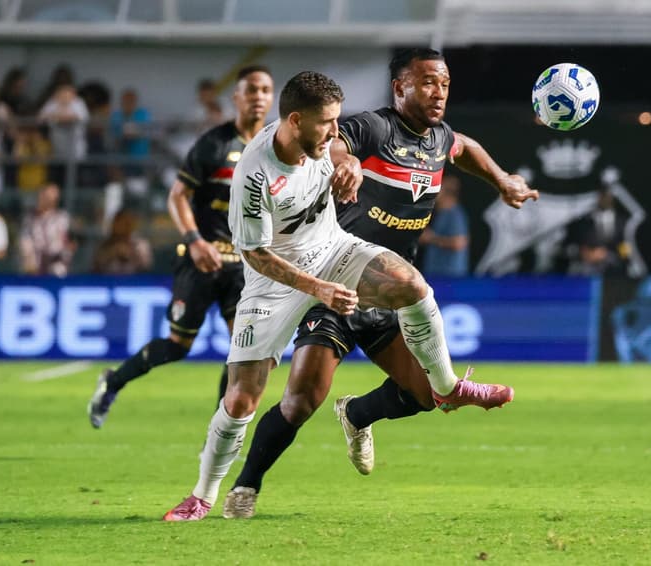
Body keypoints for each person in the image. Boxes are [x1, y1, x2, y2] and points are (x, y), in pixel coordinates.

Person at [163, 69, 531, 522]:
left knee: (413, 285)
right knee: (242, 400)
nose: (336, 130)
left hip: (334, 250)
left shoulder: (330, 140)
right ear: (295, 121)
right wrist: (318, 290)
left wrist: (350, 162)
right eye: (326, 123)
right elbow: (255, 255)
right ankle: (203, 494)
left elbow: (345, 146)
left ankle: (448, 385)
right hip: (275, 280)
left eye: (339, 120)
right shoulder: (255, 174)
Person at [87, 65, 275, 429]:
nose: (258, 97)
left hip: (245, 264)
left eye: (265, 90)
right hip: (202, 260)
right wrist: (194, 241)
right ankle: (113, 381)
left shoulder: (274, 147)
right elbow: (178, 196)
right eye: (251, 90)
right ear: (236, 98)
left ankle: (223, 431)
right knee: (177, 346)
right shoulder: (214, 144)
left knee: (245, 349)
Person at [419, 174, 470, 277]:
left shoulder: (454, 213)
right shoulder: (441, 212)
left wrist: (431, 238)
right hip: (435, 273)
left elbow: (459, 243)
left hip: (450, 276)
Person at [19, 183, 75, 276]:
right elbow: (25, 241)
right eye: (45, 196)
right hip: (34, 268)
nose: (47, 199)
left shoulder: (62, 218)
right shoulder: (29, 219)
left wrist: (65, 254)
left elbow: (69, 243)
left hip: (57, 267)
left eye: (52, 197)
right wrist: (29, 262)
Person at [91, 208, 153, 275]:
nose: (122, 226)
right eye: (119, 222)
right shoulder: (105, 245)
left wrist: (132, 254)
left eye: (126, 223)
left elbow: (146, 267)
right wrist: (112, 252)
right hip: (109, 282)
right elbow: (95, 267)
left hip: (134, 282)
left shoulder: (141, 244)